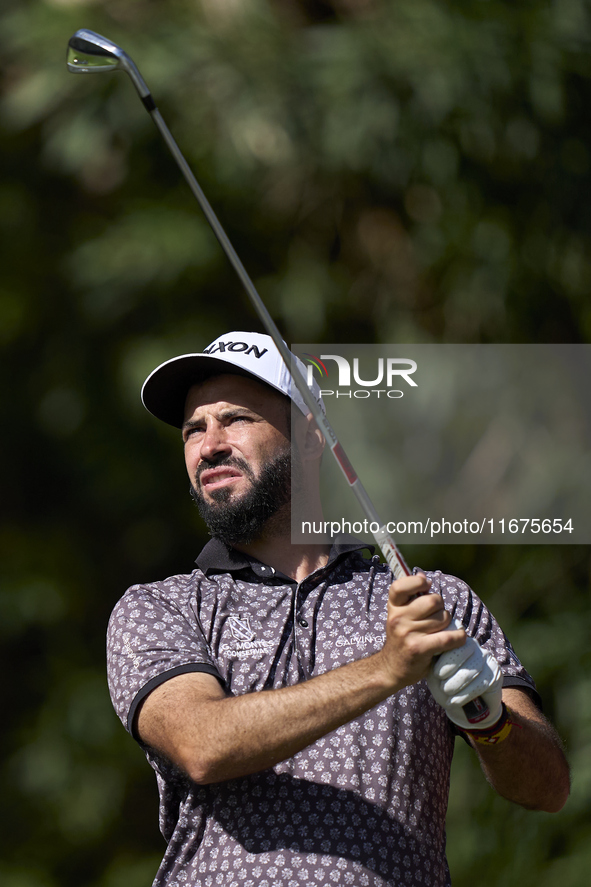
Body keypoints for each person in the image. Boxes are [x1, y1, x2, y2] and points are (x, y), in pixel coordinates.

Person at [107, 331, 570, 887]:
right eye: (193, 429)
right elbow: (202, 744)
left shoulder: (425, 601)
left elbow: (548, 789)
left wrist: (490, 719)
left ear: (309, 438)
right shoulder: (162, 607)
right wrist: (386, 669)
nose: (210, 445)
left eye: (236, 419)